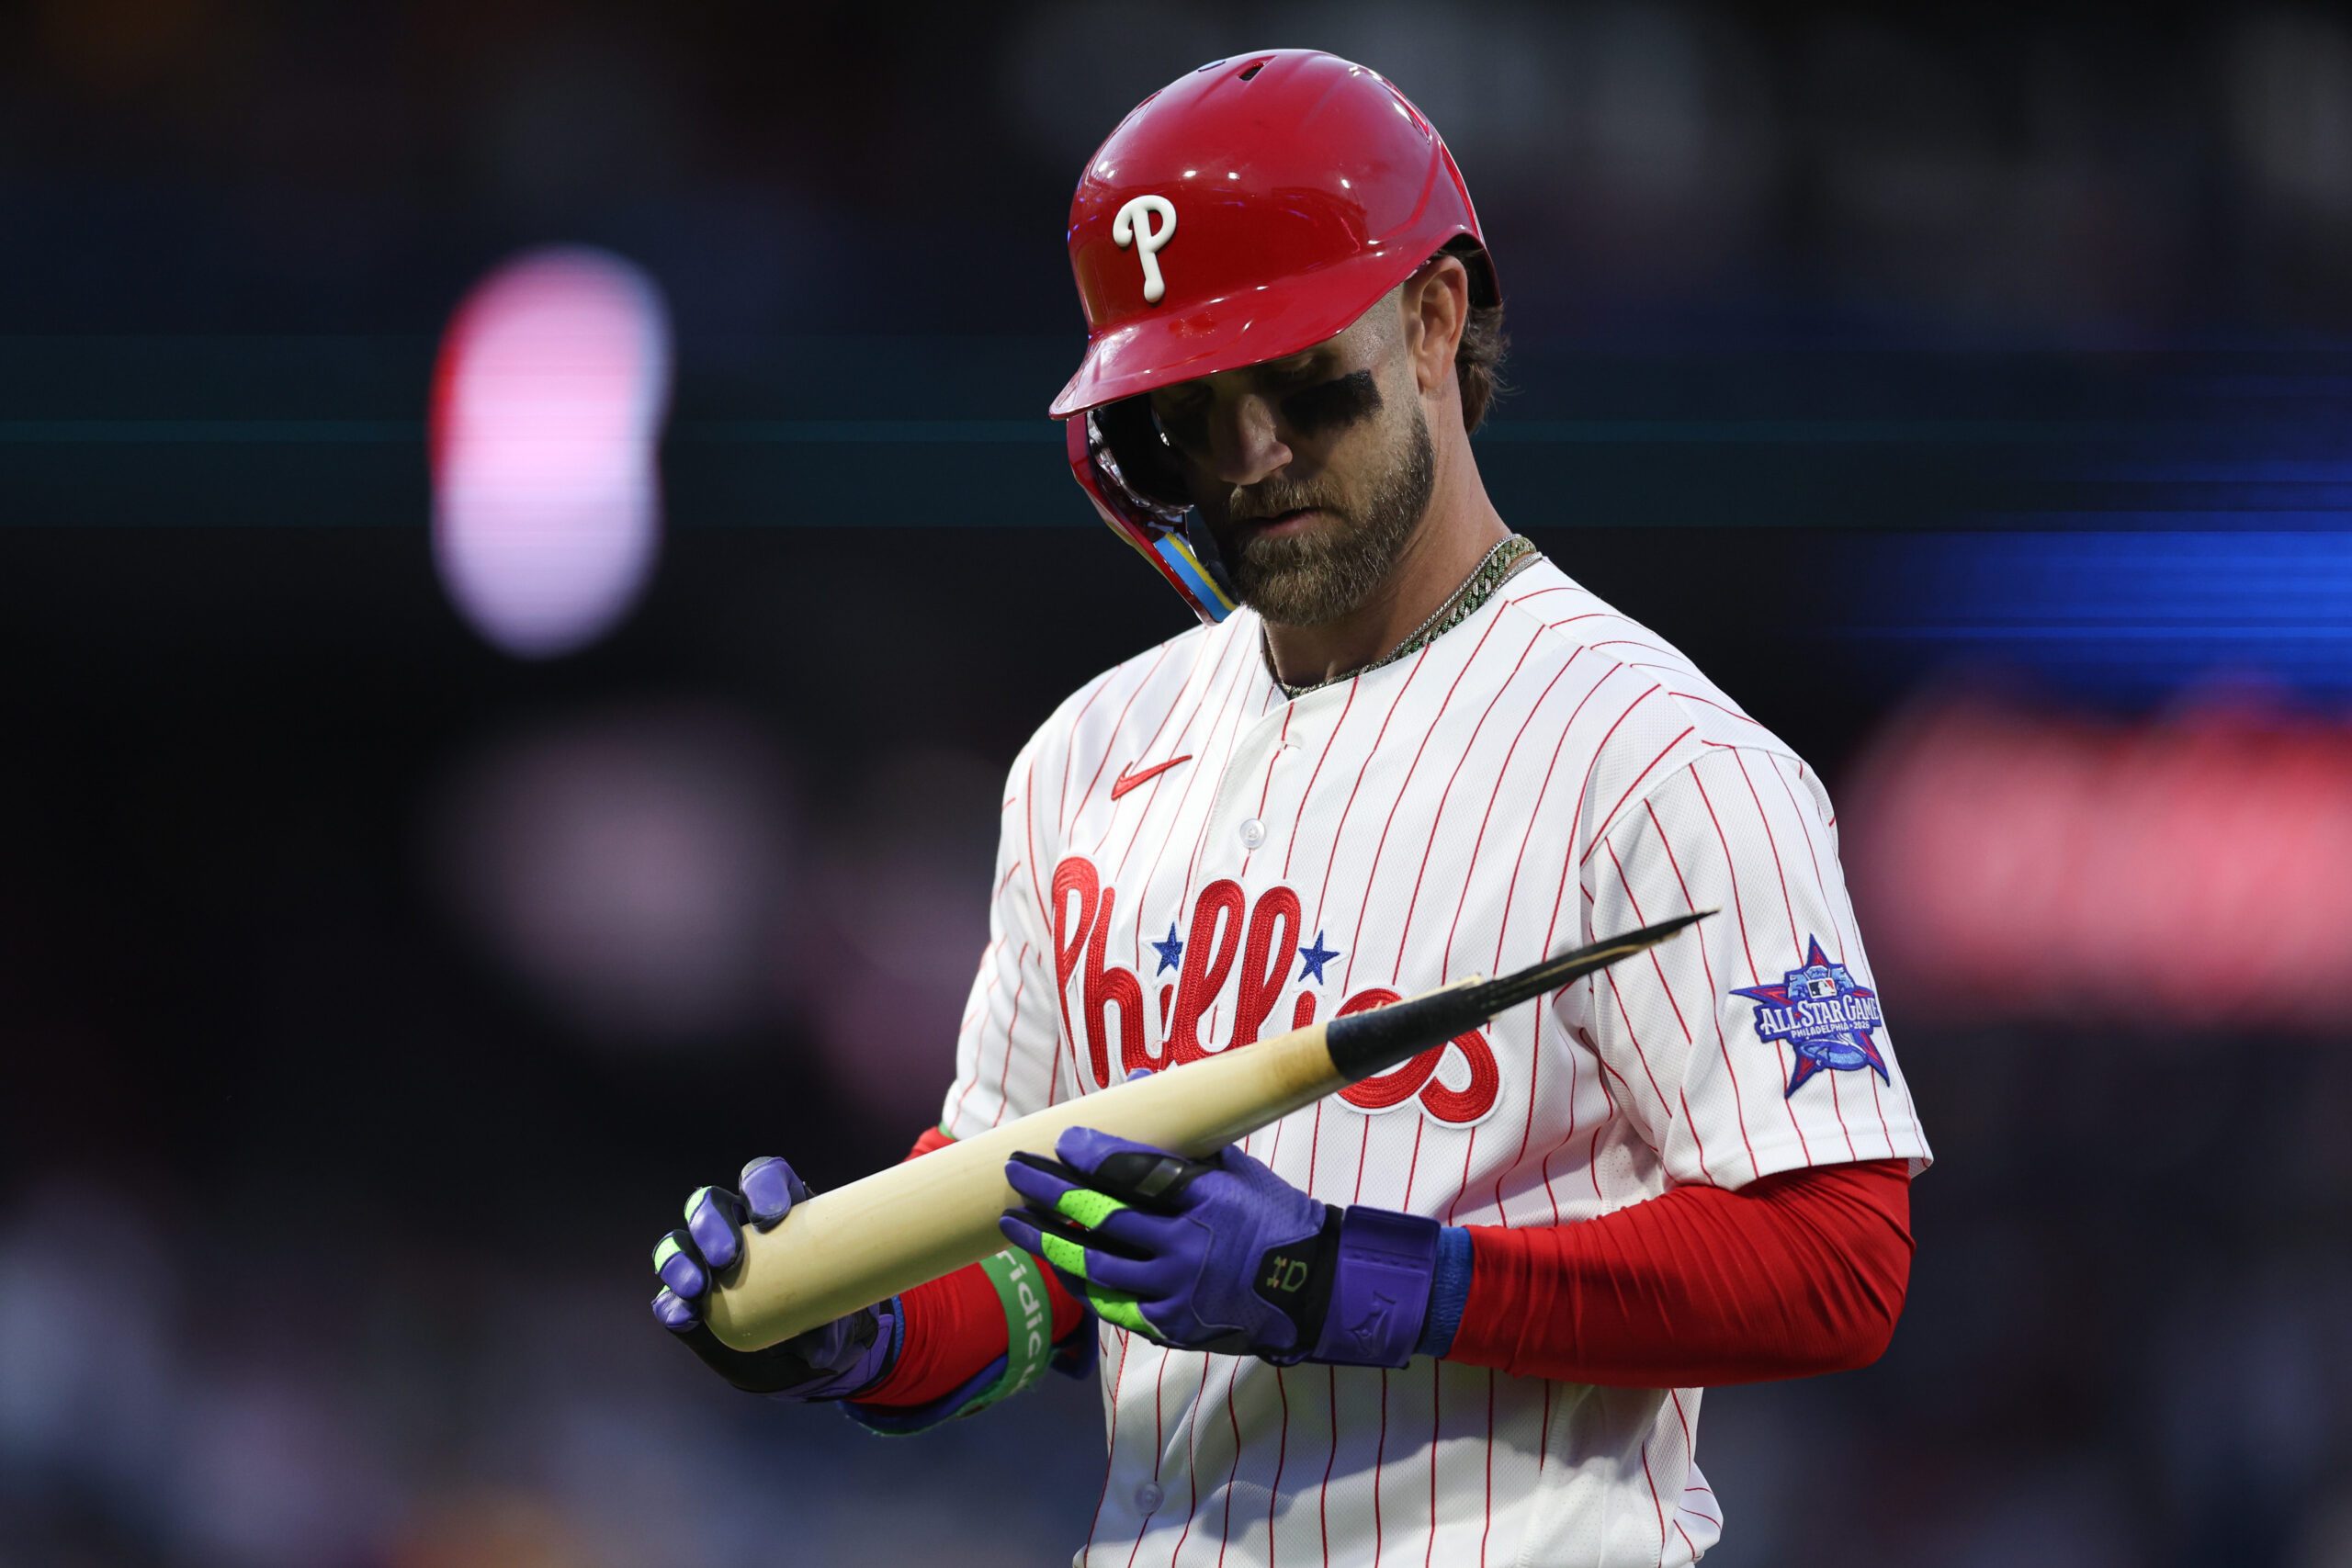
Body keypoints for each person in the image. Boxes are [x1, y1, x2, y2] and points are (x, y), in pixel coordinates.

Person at [650, 48, 1930, 1566]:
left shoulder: (1655, 758)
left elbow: (1838, 1265)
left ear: (1437, 318)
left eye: (1298, 380)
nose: (1249, 456)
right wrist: (846, 1323)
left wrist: (1361, 1278)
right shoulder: (1086, 758)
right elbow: (1034, 1267)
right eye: (1189, 410)